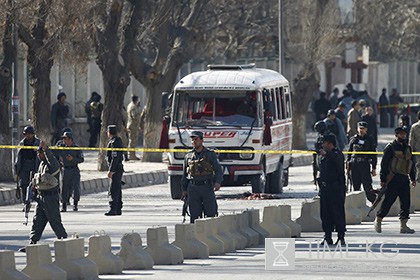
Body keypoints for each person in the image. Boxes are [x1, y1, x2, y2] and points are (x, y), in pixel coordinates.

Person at [18, 140, 67, 252]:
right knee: (37, 221)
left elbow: (50, 158)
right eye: (38, 153)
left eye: (40, 153)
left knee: (55, 221)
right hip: (41, 197)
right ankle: (32, 243)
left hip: (51, 198)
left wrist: (46, 149)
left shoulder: (53, 164)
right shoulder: (41, 164)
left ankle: (64, 242)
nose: (39, 155)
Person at [374, 126, 416, 234]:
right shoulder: (390, 147)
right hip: (393, 178)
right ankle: (378, 219)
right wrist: (383, 179)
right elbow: (384, 164)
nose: (403, 136)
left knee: (406, 203)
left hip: (404, 178)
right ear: (396, 135)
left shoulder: (408, 148)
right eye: (401, 134)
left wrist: (413, 178)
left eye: (404, 134)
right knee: (388, 201)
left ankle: (404, 225)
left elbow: (410, 164)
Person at [181, 131, 223, 223]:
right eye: (192, 140)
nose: (194, 142)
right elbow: (185, 175)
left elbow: (218, 170)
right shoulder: (188, 156)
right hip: (193, 189)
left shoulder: (210, 155)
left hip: (207, 187)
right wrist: (184, 190)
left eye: (196, 139)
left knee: (211, 215)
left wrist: (217, 182)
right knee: (195, 217)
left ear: (202, 140)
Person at [317, 134, 346, 245]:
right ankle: (327, 236)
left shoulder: (337, 154)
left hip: (336, 188)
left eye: (324, 143)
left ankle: (341, 236)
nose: (322, 145)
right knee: (325, 214)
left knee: (337, 213)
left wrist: (327, 154)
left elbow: (337, 161)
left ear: (330, 144)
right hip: (325, 188)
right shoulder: (323, 155)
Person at [346, 121, 377, 204]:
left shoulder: (370, 139)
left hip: (364, 165)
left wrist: (374, 167)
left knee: (367, 186)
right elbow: (349, 152)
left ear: (366, 129)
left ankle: (375, 203)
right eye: (360, 128)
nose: (361, 130)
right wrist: (347, 167)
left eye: (363, 128)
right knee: (356, 186)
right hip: (354, 165)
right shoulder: (353, 139)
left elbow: (373, 154)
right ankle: (357, 205)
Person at [59, 132, 84, 212]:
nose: (64, 141)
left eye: (65, 139)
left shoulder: (76, 148)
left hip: (74, 169)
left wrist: (73, 159)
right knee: (64, 188)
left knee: (76, 188)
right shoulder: (61, 147)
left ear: (70, 139)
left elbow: (81, 159)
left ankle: (75, 204)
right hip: (65, 170)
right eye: (63, 139)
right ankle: (64, 205)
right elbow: (53, 153)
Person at [15, 126, 40, 202]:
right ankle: (25, 201)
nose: (28, 136)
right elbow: (18, 156)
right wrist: (17, 167)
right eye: (26, 134)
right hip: (24, 165)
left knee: (36, 183)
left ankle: (36, 200)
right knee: (24, 184)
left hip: (34, 164)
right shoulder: (22, 143)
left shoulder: (37, 142)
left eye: (30, 134)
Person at [105, 125, 124, 216]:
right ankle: (118, 208)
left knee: (113, 189)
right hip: (118, 168)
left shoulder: (114, 142)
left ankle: (113, 209)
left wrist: (111, 170)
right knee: (117, 189)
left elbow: (115, 158)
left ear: (109, 132)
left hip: (116, 169)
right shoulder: (117, 141)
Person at [127, 95, 142, 160]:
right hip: (133, 125)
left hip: (133, 125)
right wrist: (140, 115)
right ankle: (131, 155)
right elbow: (134, 116)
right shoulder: (133, 107)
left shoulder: (132, 105)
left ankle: (133, 154)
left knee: (133, 140)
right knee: (132, 140)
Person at [409, 111, 420, 182]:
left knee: (418, 168)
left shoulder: (414, 126)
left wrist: (410, 152)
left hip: (417, 152)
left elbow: (411, 141)